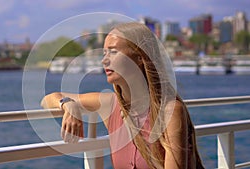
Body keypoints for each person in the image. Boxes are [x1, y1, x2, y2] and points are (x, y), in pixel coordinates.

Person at [41, 22, 205, 169]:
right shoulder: (110, 105)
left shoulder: (170, 111)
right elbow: (47, 99)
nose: (104, 60)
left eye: (113, 52)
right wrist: (69, 105)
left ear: (140, 58)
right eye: (104, 53)